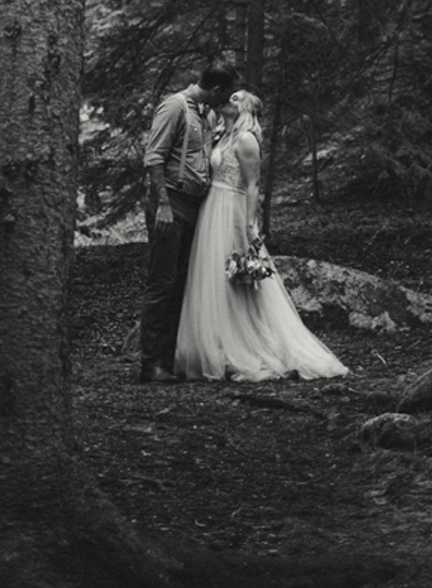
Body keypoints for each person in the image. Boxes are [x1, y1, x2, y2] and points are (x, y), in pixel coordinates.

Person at [175, 89, 348, 382]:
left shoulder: (246, 140)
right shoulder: (222, 135)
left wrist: (249, 225)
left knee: (235, 281)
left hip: (231, 211)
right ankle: (215, 343)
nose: (229, 99)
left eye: (235, 98)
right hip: (211, 210)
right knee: (212, 278)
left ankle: (246, 346)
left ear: (245, 108)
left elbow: (253, 185)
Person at [137, 58, 239, 383]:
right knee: (162, 283)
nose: (225, 102)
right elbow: (154, 157)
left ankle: (167, 361)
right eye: (225, 96)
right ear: (216, 89)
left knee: (181, 282)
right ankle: (150, 363)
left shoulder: (205, 114)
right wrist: (163, 205)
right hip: (171, 201)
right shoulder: (175, 106)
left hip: (194, 206)